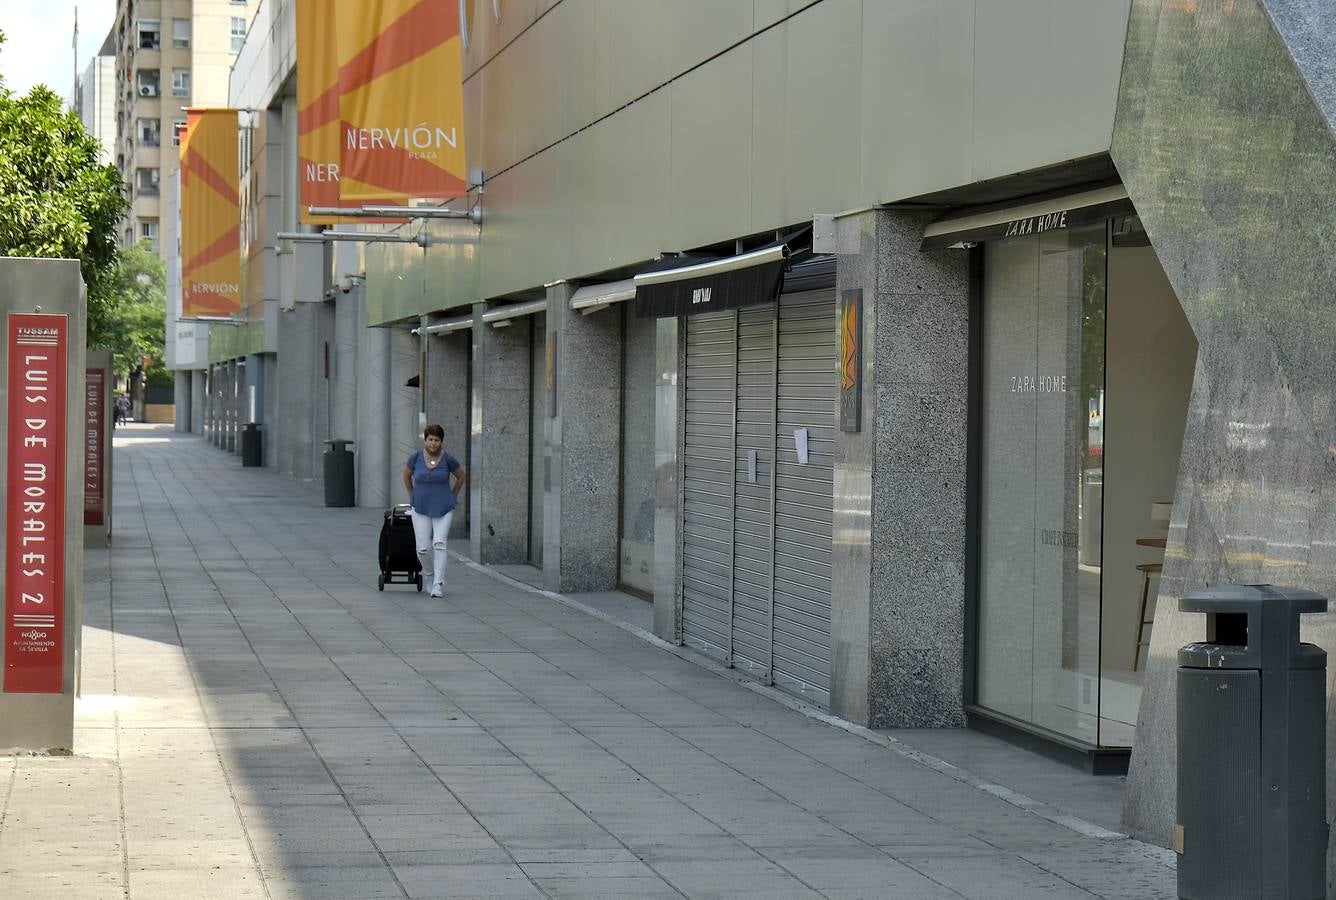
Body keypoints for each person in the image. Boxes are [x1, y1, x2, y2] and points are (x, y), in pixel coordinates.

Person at [402, 424, 466, 598]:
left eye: (437, 440)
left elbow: (461, 475)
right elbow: (406, 476)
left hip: (443, 507)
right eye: (430, 439)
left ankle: (438, 584)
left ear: (441, 441)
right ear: (425, 439)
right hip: (420, 506)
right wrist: (412, 495)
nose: (433, 443)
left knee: (439, 543)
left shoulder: (448, 459)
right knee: (422, 548)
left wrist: (453, 496)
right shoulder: (415, 457)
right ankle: (429, 574)